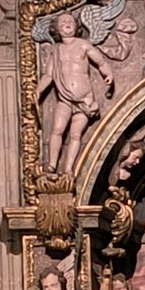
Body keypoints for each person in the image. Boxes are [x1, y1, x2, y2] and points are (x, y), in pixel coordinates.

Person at [35, 11, 114, 177]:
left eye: (69, 21)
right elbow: (49, 75)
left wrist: (108, 74)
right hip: (64, 99)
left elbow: (100, 62)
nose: (66, 24)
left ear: (76, 26)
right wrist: (38, 90)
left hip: (85, 99)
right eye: (62, 22)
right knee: (57, 129)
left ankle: (69, 168)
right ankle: (51, 164)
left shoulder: (83, 45)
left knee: (75, 134)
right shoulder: (56, 50)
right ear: (56, 28)